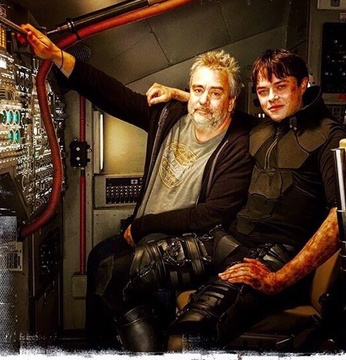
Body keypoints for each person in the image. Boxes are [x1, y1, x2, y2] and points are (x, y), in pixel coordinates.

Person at [19, 24, 253, 351]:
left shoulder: (239, 144)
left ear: (231, 102)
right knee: (98, 259)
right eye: (197, 89)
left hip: (184, 250)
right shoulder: (170, 116)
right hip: (140, 238)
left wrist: (143, 226)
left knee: (149, 295)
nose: (203, 100)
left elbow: (210, 215)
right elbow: (112, 95)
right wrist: (57, 56)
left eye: (215, 93)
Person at [146, 49, 346, 350]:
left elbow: (345, 219)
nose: (271, 98)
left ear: (303, 84)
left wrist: (278, 279)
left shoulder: (330, 137)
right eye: (263, 91)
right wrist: (181, 96)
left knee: (185, 338)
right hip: (229, 243)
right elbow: (220, 109)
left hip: (274, 262)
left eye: (281, 87)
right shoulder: (262, 128)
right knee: (120, 271)